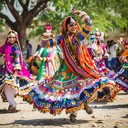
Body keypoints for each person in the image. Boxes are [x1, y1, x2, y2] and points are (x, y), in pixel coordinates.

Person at [23, 9, 117, 122]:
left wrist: (82, 14)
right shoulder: (61, 38)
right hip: (66, 69)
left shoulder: (79, 36)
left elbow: (89, 25)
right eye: (70, 25)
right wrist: (46, 38)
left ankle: (83, 106)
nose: (73, 27)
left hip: (81, 68)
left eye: (74, 24)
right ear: (66, 27)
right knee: (70, 91)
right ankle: (75, 112)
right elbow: (46, 44)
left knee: (83, 87)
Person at [0, 30, 33, 112]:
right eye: (10, 37)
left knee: (10, 85)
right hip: (5, 69)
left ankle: (12, 104)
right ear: (7, 38)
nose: (11, 39)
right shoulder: (6, 46)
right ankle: (12, 104)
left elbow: (17, 61)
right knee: (5, 86)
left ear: (16, 38)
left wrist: (15, 73)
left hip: (14, 70)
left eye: (13, 37)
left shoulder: (16, 47)